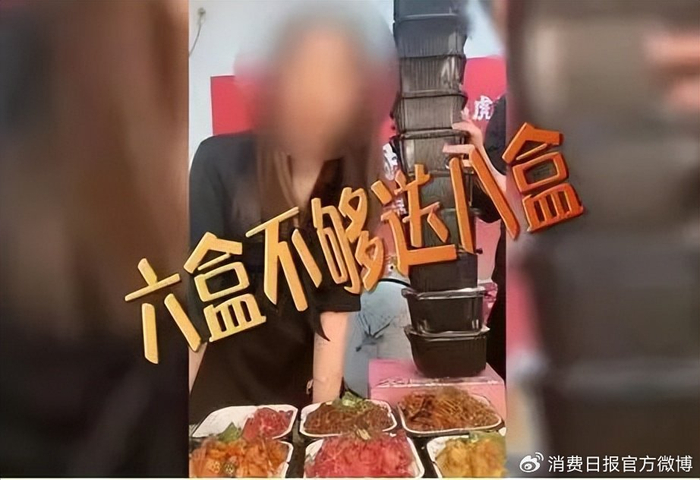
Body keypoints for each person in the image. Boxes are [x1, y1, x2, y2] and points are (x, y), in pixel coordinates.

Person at [187, 4, 397, 423]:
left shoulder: (354, 187)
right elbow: (197, 313)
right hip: (217, 410)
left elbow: (333, 316)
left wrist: (318, 430)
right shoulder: (218, 164)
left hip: (296, 404)